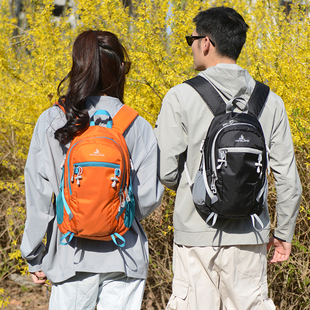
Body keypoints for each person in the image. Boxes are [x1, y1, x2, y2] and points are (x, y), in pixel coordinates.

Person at [154, 7, 302, 310]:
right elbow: (288, 179)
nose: (192, 46)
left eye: (190, 39)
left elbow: (166, 171)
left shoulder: (180, 96)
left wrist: (195, 188)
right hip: (251, 232)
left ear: (205, 42)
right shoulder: (271, 101)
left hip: (195, 233)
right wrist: (283, 233)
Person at [20, 30, 164, 310]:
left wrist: (34, 253)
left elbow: (38, 197)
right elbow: (149, 197)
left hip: (70, 255)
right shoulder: (137, 125)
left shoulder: (54, 120)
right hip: (126, 255)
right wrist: (114, 213)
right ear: (120, 70)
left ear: (78, 67)